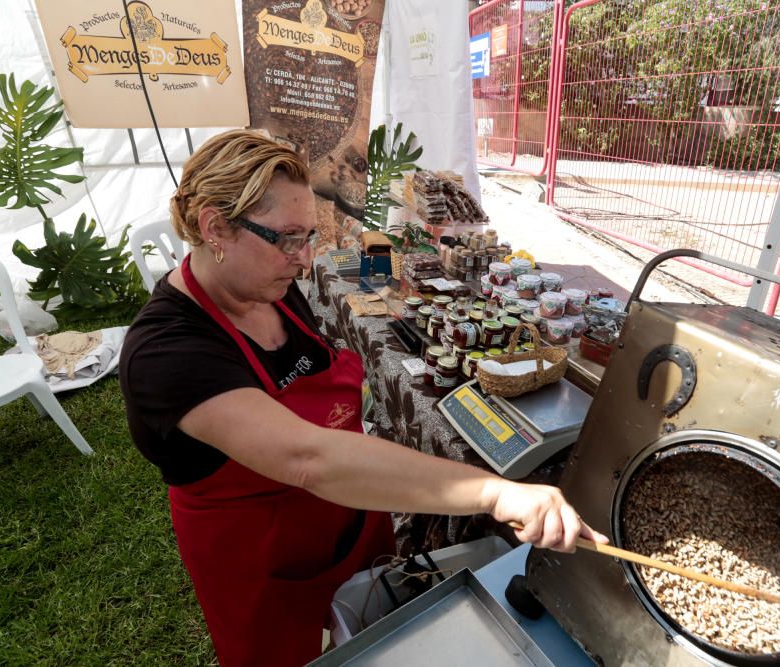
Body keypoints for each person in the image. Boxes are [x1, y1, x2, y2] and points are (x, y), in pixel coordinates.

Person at [119, 129, 607, 666]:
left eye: (308, 237)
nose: (304, 260)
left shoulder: (267, 289)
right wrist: (493, 494)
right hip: (261, 567)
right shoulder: (167, 352)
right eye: (287, 239)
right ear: (216, 228)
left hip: (351, 525)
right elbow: (309, 457)